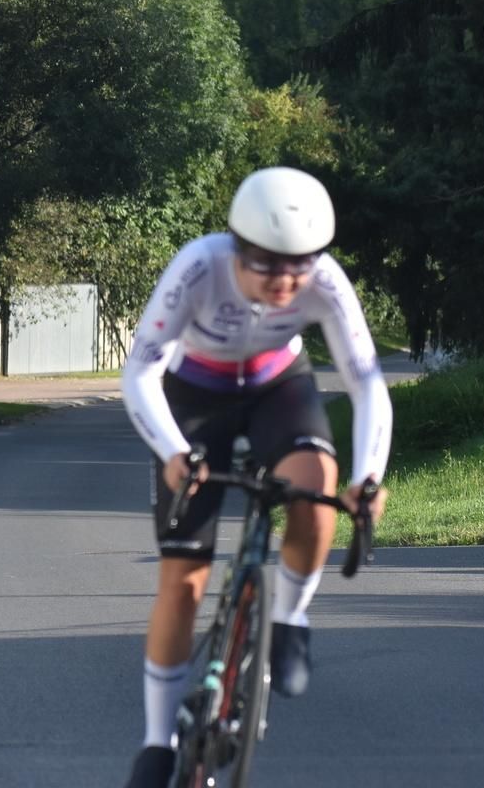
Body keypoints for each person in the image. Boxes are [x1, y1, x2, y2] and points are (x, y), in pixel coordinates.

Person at [118, 167, 393, 788]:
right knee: (183, 583)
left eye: (300, 265)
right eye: (267, 264)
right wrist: (173, 451)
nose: (285, 281)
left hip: (277, 388)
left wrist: (369, 478)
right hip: (195, 396)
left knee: (315, 491)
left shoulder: (324, 280)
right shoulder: (199, 266)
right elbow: (140, 373)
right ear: (238, 247)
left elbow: (367, 384)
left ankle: (290, 617)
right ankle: (157, 742)